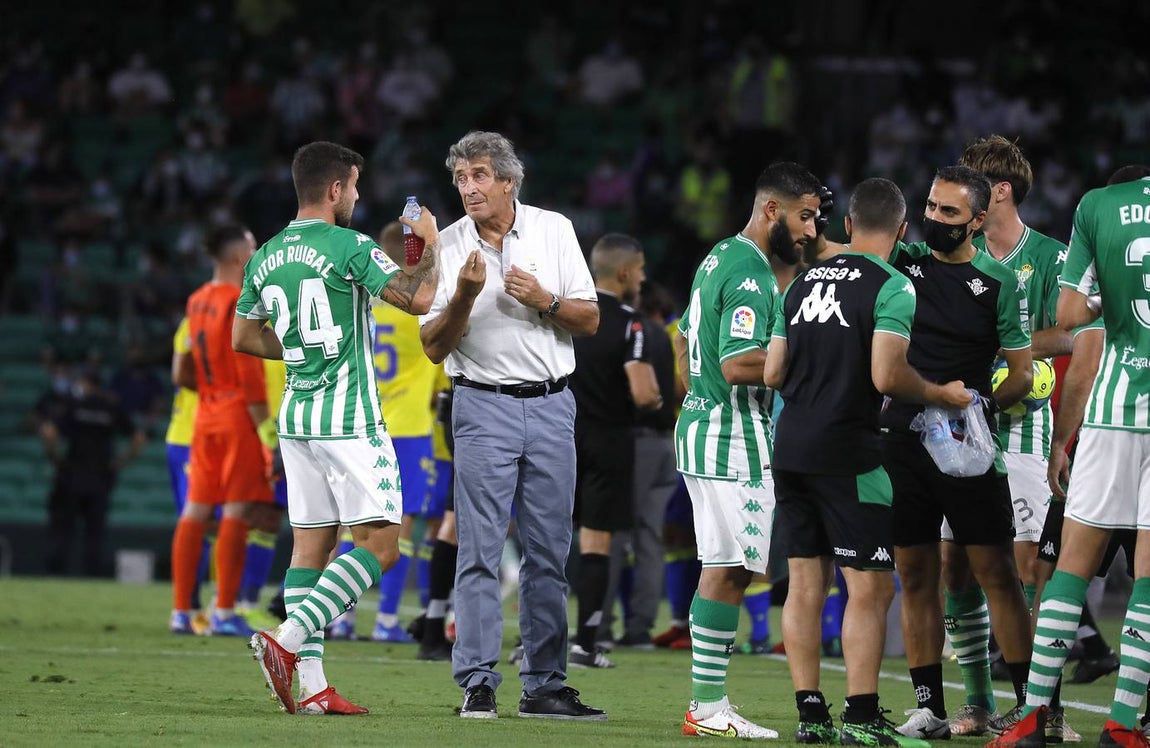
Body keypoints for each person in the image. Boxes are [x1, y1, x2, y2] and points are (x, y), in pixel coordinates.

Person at [765, 177, 972, 745]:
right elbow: (886, 375)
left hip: (791, 447)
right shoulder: (892, 285)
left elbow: (773, 373)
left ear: (849, 225)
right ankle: (860, 717)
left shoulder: (800, 282)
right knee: (870, 588)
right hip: (850, 453)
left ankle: (811, 717)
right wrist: (939, 393)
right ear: (902, 230)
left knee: (805, 584)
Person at [236, 140, 441, 715]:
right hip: (349, 418)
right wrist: (429, 242)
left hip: (296, 418)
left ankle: (313, 690)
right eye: (353, 186)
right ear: (334, 189)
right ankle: (285, 639)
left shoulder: (265, 255)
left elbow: (243, 337)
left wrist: (302, 350)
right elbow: (419, 298)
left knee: (311, 549)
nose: (356, 195)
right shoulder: (349, 245)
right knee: (383, 546)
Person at [418, 130, 606, 721]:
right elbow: (432, 346)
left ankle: (544, 684)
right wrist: (464, 297)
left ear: (508, 180)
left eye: (478, 175)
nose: (468, 188)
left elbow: (590, 318)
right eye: (460, 178)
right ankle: (477, 682)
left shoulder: (555, 229)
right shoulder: (446, 246)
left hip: (552, 404)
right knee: (479, 550)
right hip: (481, 405)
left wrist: (546, 300)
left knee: (549, 552)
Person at [992, 165, 1150, 747]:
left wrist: (1110, 290)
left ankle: (1034, 717)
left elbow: (1071, 316)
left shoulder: (1099, 206)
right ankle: (1123, 725)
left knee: (1068, 569)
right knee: (1148, 580)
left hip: (1112, 412)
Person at [880, 166, 1034, 740]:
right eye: (931, 207)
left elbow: (1021, 373)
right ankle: (929, 708)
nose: (935, 218)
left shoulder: (999, 281)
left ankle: (1029, 705)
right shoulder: (904, 262)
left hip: (968, 447)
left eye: (949, 212)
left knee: (997, 572)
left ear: (977, 220)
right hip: (901, 439)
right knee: (915, 575)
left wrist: (982, 405)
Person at [673, 160, 822, 740]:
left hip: (704, 426)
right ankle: (708, 706)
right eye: (804, 216)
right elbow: (738, 364)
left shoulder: (720, 256)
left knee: (724, 566)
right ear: (771, 210)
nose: (810, 230)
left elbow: (685, 336)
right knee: (731, 570)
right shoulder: (752, 274)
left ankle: (706, 703)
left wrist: (699, 391)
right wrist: (814, 360)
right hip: (732, 434)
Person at [939, 135, 1075, 738]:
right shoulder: (954, 253)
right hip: (958, 430)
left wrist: (1005, 350)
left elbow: (1071, 334)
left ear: (997, 192)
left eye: (969, 188)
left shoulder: (1049, 256)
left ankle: (1044, 705)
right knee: (954, 567)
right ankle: (976, 701)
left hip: (1024, 433)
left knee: (1025, 568)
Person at [326, 220, 441, 642]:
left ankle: (341, 618)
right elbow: (440, 382)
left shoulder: (363, 304)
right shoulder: (423, 311)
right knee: (402, 525)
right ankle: (387, 621)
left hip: (362, 424)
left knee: (351, 525)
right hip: (408, 428)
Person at [169, 223, 274, 639]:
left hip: (205, 415)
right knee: (235, 511)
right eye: (252, 247)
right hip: (236, 416)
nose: (257, 252)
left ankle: (181, 611)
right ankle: (224, 611)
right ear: (237, 258)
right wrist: (266, 432)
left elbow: (186, 368)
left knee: (195, 510)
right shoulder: (237, 300)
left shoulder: (196, 300)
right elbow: (249, 375)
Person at [569, 232, 662, 667]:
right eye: (640, 270)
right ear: (624, 272)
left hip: (559, 435)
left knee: (546, 541)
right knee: (596, 542)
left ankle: (532, 641)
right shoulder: (630, 322)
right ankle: (585, 644)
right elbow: (643, 393)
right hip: (609, 440)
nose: (642, 279)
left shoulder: (567, 311)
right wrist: (656, 400)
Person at [600, 280, 684, 650]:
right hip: (665, 443)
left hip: (635, 443)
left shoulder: (631, 331)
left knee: (612, 534)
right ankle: (640, 628)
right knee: (650, 539)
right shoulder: (663, 335)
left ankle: (598, 625)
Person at [40, 367, 146, 575]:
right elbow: (139, 438)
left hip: (72, 473)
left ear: (86, 384)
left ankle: (56, 572)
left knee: (63, 527)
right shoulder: (111, 408)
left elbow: (49, 432)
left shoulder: (73, 404)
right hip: (100, 475)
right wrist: (122, 461)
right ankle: (92, 574)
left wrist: (54, 458)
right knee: (95, 531)